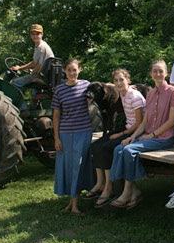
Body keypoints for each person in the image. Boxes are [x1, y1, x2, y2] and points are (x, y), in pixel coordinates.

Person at [108, 60, 174, 209]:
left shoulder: (173, 92)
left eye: (161, 71)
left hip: (164, 137)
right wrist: (132, 137)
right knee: (119, 148)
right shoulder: (151, 94)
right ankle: (133, 190)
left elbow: (172, 121)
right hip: (148, 135)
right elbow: (144, 121)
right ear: (151, 74)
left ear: (166, 73)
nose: (158, 74)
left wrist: (152, 135)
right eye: (155, 71)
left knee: (129, 150)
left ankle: (128, 190)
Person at [88, 69, 145, 207]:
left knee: (107, 148)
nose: (119, 83)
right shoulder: (122, 92)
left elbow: (139, 123)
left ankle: (109, 188)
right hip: (127, 128)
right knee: (95, 145)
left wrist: (120, 134)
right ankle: (100, 183)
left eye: (122, 80)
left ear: (128, 80)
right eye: (116, 81)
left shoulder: (134, 96)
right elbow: (108, 86)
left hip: (136, 131)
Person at [52, 59, 93, 216]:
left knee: (78, 167)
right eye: (69, 70)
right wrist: (56, 138)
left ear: (80, 70)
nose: (72, 73)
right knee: (67, 168)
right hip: (65, 134)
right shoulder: (59, 90)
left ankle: (75, 204)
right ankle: (71, 203)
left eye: (74, 70)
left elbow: (100, 93)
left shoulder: (86, 85)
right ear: (64, 71)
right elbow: (56, 116)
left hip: (83, 132)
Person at [10, 24, 54, 110]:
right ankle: (35, 108)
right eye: (33, 34)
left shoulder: (42, 47)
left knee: (14, 83)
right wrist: (19, 68)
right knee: (34, 87)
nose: (35, 36)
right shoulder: (38, 46)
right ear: (30, 35)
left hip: (42, 76)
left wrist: (32, 75)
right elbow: (34, 63)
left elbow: (38, 65)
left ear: (42, 34)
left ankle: (23, 109)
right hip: (46, 76)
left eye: (37, 34)